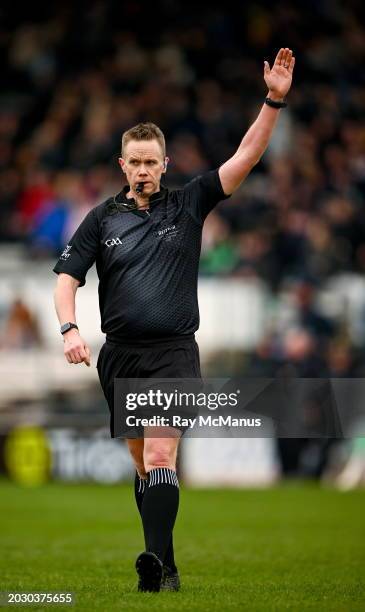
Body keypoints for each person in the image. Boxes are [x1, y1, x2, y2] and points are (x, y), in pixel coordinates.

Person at [53, 48, 295, 592]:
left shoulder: (189, 203)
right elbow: (67, 278)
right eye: (133, 161)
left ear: (165, 164)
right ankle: (166, 564)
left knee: (162, 453)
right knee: (145, 469)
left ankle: (152, 561)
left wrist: (274, 100)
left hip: (174, 354)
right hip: (120, 356)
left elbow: (246, 157)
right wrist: (69, 328)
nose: (142, 169)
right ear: (122, 165)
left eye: (151, 161)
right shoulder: (100, 219)